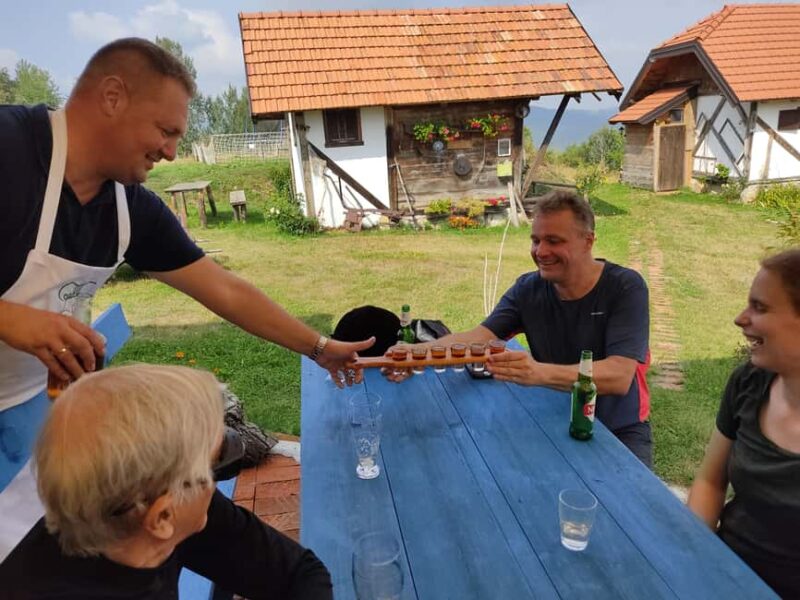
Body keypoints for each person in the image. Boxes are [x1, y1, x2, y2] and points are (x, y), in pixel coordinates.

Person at [0, 38, 371, 557]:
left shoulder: (131, 210)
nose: (172, 151)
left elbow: (224, 289)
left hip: (28, 406)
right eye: (166, 130)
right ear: (112, 96)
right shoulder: (10, 149)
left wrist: (318, 347)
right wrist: (9, 319)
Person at [0, 364, 333, 599]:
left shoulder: (142, 508)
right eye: (216, 463)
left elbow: (297, 573)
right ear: (162, 517)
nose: (217, 476)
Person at [385, 191, 652, 466]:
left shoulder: (625, 287)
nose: (540, 252)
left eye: (554, 241)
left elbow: (620, 376)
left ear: (588, 241)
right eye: (535, 240)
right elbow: (478, 337)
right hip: (556, 417)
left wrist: (537, 373)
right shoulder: (528, 289)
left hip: (619, 428)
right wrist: (416, 353)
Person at [687, 249, 800, 599]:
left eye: (760, 308)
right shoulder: (749, 383)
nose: (740, 318)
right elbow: (709, 481)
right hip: (721, 574)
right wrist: (693, 556)